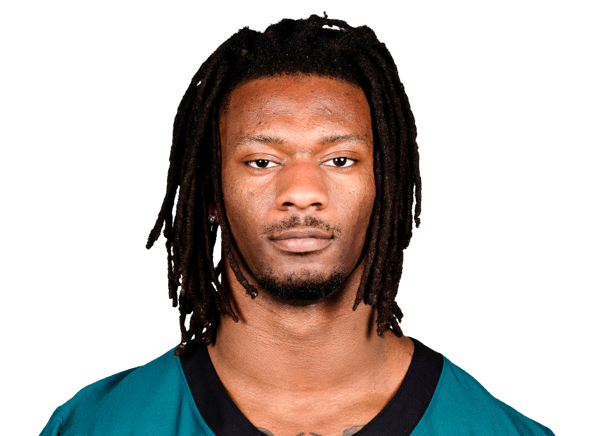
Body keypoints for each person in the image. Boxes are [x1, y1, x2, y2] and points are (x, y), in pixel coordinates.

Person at [40, 14, 555, 436]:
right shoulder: (96, 427)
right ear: (212, 190)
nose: (302, 192)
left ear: (386, 184)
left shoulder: (498, 431)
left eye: (340, 160)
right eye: (262, 161)